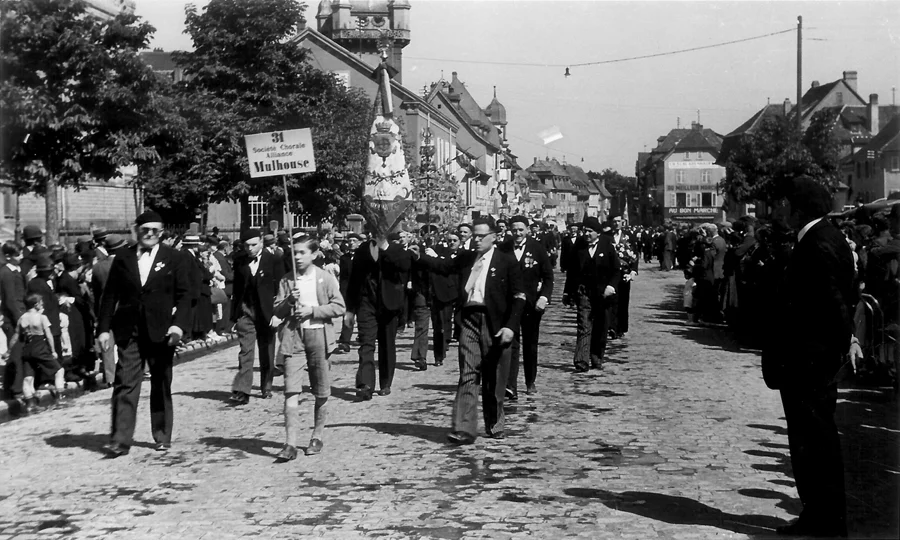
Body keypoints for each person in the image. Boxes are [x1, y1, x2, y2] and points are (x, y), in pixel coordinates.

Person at [762, 176, 861, 538]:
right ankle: (817, 516)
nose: (779, 210)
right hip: (808, 360)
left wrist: (842, 343)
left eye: (783, 203)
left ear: (797, 207)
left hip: (810, 362)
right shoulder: (822, 237)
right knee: (809, 442)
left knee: (815, 442)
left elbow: (835, 300)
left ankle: (827, 522)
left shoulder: (818, 242)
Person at [415, 216, 526, 444]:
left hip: (496, 323)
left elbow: (519, 297)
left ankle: (495, 423)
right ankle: (464, 428)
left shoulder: (506, 262)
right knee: (468, 372)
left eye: (481, 236)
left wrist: (510, 326)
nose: (476, 240)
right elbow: (443, 267)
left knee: (494, 377)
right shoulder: (466, 258)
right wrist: (418, 257)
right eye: (474, 235)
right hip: (469, 320)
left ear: (493, 237)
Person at [97, 210, 192, 457]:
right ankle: (120, 439)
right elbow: (110, 296)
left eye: (155, 230)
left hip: (162, 331)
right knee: (125, 383)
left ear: (161, 232)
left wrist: (178, 325)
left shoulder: (174, 257)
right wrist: (103, 329)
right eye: (145, 229)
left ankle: (162, 435)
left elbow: (185, 295)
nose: (150, 234)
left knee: (161, 382)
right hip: (129, 329)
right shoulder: (123, 258)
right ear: (136, 230)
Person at [272, 235, 345, 461]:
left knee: (321, 390)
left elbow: (339, 307)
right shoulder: (287, 280)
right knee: (290, 390)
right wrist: (288, 302)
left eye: (302, 252)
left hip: (319, 336)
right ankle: (290, 444)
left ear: (314, 254)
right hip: (294, 338)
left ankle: (317, 436)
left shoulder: (324, 278)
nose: (297, 257)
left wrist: (313, 311)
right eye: (294, 253)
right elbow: (277, 310)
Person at [346, 230, 412, 399]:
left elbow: (404, 266)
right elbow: (354, 279)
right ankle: (365, 384)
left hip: (389, 304)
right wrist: (350, 309)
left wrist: (386, 248)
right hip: (366, 302)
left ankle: (385, 382)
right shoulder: (363, 249)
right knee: (366, 343)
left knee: (387, 344)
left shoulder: (397, 250)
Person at [229, 228, 285, 404]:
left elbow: (281, 287)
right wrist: (234, 315)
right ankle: (242, 390)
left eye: (253, 245)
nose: (250, 249)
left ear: (261, 242)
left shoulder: (274, 259)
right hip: (246, 311)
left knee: (266, 351)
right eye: (246, 245)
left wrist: (279, 313)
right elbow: (237, 290)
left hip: (267, 312)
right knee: (245, 351)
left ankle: (266, 385)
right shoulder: (239, 261)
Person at [562, 216, 621, 372]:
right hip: (584, 292)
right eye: (584, 231)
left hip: (603, 294)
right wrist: (567, 292)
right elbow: (572, 271)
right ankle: (581, 360)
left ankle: (596, 357)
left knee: (601, 327)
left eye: (590, 231)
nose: (586, 234)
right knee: (584, 325)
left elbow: (616, 270)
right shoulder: (579, 246)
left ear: (598, 233)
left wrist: (611, 286)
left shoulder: (607, 246)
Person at [504, 216, 552, 399]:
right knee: (511, 343)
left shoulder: (537, 249)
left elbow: (548, 277)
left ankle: (530, 380)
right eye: (514, 230)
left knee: (530, 344)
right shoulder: (503, 248)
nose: (517, 233)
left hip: (532, 305)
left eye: (521, 230)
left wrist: (544, 297)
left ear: (527, 230)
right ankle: (510, 385)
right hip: (510, 305)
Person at [4, 293, 64, 414]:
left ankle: (30, 405)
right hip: (40, 348)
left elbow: (15, 337)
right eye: (41, 302)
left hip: (27, 350)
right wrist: (53, 351)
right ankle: (60, 399)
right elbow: (48, 335)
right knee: (59, 371)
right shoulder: (42, 317)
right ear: (36, 304)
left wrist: (9, 351)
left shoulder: (22, 318)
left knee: (28, 378)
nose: (42, 304)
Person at [91, 234, 126, 386]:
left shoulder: (98, 267)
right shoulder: (126, 264)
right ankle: (139, 370)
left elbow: (96, 290)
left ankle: (110, 376)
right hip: (124, 305)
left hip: (105, 308)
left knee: (107, 343)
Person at [429, 231, 461, 367]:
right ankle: (439, 354)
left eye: (454, 240)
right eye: (449, 241)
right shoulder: (441, 253)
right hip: (445, 292)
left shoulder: (464, 254)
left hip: (460, 291)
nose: (452, 243)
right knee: (441, 323)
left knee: (455, 321)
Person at [1, 241, 27, 398]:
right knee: (16, 353)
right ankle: (15, 389)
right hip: (13, 319)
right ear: (8, 256)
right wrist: (20, 318)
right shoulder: (6, 273)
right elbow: (10, 300)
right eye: (17, 255)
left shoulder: (16, 271)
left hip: (20, 313)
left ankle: (12, 385)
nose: (21, 257)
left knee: (19, 352)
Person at [337, 233, 363, 353]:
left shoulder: (364, 257)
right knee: (348, 316)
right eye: (350, 241)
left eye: (354, 240)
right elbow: (343, 277)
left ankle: (364, 338)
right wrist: (342, 292)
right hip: (348, 292)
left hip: (362, 292)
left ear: (359, 243)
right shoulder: (344, 258)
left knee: (363, 317)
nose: (351, 243)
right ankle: (345, 341)